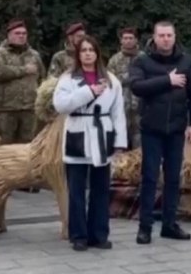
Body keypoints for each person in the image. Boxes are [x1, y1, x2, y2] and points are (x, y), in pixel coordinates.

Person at [129, 20, 191, 245]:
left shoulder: (186, 60)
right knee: (150, 178)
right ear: (154, 37)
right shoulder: (142, 60)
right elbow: (136, 86)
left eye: (169, 35)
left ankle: (170, 224)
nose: (165, 39)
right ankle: (145, 228)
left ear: (174, 36)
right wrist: (167, 81)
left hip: (177, 129)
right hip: (152, 128)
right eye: (161, 35)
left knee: (173, 178)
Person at [53, 35, 127, 252]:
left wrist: (120, 141)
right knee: (76, 189)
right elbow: (60, 105)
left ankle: (99, 234)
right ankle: (78, 235)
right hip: (77, 132)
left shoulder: (111, 80)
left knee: (101, 189)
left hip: (101, 134)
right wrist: (88, 92)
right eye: (83, 50)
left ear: (97, 53)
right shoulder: (68, 79)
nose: (87, 53)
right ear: (78, 54)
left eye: (91, 50)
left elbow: (117, 112)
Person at [0, 19, 45, 144]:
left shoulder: (34, 55)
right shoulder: (0, 53)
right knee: (5, 144)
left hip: (29, 108)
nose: (21, 36)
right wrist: (24, 70)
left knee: (28, 144)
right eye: (17, 33)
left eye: (24, 34)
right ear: (9, 35)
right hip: (7, 108)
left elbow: (42, 77)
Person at [107, 27, 141, 149]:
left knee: (140, 144)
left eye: (131, 38)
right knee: (120, 143)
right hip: (121, 108)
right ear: (121, 41)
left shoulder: (144, 58)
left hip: (140, 109)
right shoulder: (114, 60)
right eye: (125, 38)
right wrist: (128, 77)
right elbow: (109, 82)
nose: (128, 41)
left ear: (136, 40)